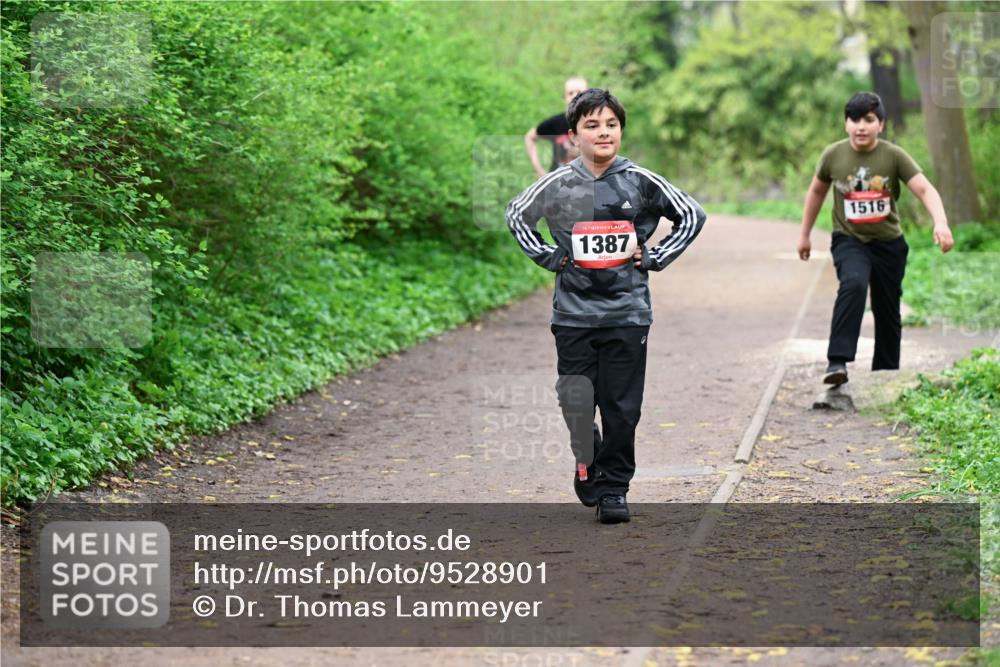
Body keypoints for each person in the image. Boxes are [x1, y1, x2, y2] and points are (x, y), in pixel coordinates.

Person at [506, 89, 706, 523]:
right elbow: (516, 214)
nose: (603, 133)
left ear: (621, 131)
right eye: (592, 125)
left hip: (627, 313)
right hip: (573, 314)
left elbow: (691, 214)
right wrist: (549, 256)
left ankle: (614, 489)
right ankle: (587, 455)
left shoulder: (641, 180)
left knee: (621, 407)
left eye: (611, 125)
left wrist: (655, 255)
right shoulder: (557, 183)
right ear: (573, 134)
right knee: (575, 401)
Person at [798, 91, 954, 385]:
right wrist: (805, 234)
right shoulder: (833, 154)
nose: (861, 126)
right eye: (854, 119)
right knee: (853, 284)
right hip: (849, 239)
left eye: (868, 120)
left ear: (880, 124)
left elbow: (924, 189)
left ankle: (885, 374)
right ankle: (837, 362)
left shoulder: (893, 155)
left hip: (888, 244)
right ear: (845, 124)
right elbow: (817, 191)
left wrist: (941, 222)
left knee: (887, 306)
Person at [524, 77, 588, 178]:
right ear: (565, 98)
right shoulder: (556, 122)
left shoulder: (596, 123)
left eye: (579, 92)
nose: (575, 96)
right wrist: (539, 170)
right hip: (557, 183)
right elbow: (530, 137)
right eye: (570, 93)